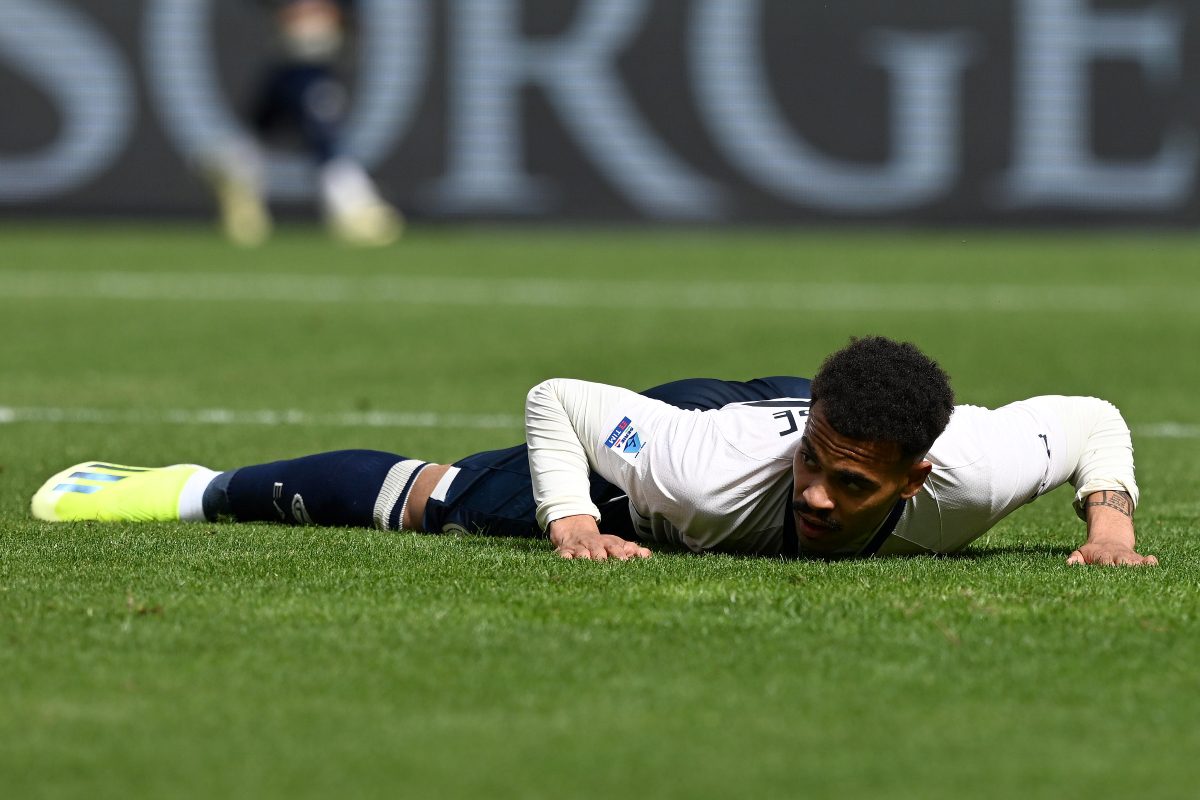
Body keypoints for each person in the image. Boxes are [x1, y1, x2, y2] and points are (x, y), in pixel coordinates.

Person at [30, 337, 1157, 567]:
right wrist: (571, 517)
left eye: (851, 481)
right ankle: (180, 489)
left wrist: (1108, 521)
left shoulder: (980, 468)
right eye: (818, 461)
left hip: (748, 419)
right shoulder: (699, 470)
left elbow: (1095, 414)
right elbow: (560, 396)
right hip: (682, 428)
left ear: (918, 476)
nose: (819, 494)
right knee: (432, 499)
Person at [201, 0, 402, 247]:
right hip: (298, 64)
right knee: (321, 135)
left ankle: (235, 169)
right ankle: (352, 204)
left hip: (311, 62)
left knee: (287, 128)